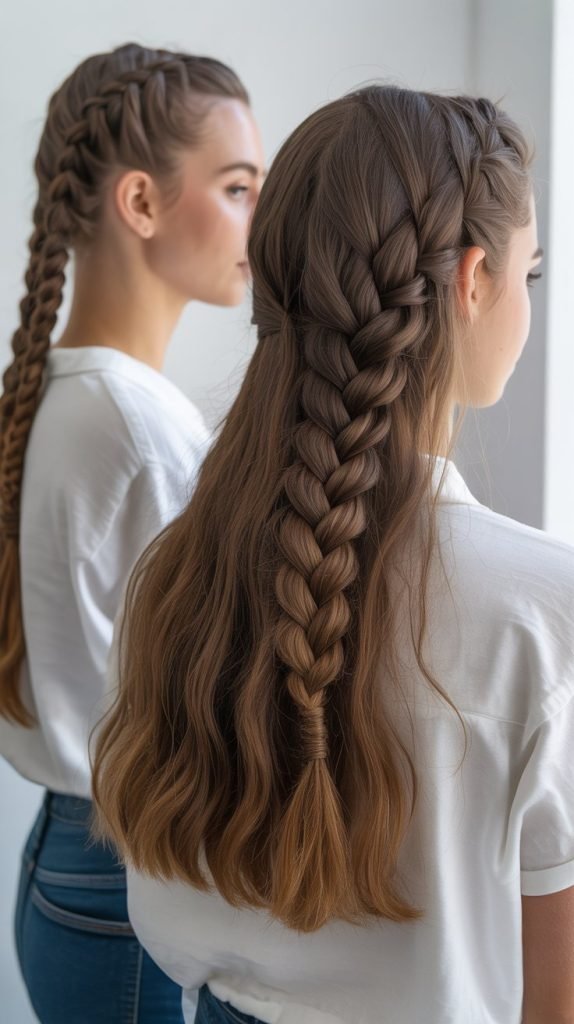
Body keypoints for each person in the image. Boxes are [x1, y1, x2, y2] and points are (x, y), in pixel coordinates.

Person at [93, 86, 574, 1024]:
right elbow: (555, 999)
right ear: (472, 280)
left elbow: (159, 909)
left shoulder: (177, 572)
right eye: (533, 272)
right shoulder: (545, 612)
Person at [0, 42, 264, 1024]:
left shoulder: (52, 397)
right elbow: (215, 691)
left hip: (68, 863)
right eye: (238, 187)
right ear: (142, 203)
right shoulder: (140, 429)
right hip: (129, 886)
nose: (258, 218)